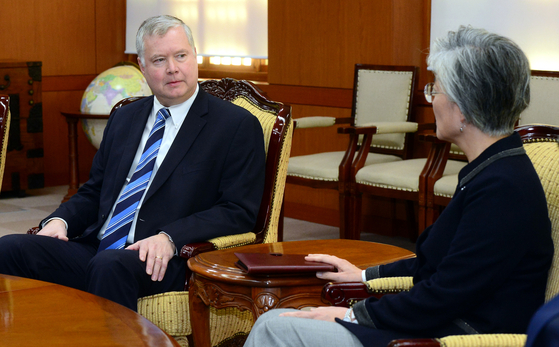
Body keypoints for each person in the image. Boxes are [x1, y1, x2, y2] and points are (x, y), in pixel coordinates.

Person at [243, 26, 553, 347]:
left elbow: (445, 294)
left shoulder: (502, 187)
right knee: (283, 318)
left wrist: (351, 315)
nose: (430, 100)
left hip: (453, 336)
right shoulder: (494, 167)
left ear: (462, 108)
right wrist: (363, 275)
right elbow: (442, 266)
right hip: (438, 321)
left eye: (436, 90)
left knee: (273, 326)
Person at [0, 15, 265, 311]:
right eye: (159, 60)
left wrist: (170, 237)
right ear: (142, 67)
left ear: (194, 56)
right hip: (99, 247)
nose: (173, 68)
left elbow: (237, 210)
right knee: (10, 248)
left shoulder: (235, 125)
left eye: (180, 56)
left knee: (108, 266)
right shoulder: (125, 117)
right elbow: (95, 190)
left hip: (166, 258)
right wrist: (59, 221)